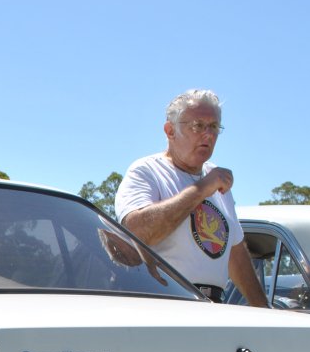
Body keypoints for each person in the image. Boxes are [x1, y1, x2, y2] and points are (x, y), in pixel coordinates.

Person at [114, 89, 269, 307]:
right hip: (164, 305)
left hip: (212, 307)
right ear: (170, 131)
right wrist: (202, 189)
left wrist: (263, 310)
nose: (208, 134)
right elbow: (136, 232)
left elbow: (236, 255)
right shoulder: (147, 171)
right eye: (197, 125)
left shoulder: (215, 178)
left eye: (214, 126)